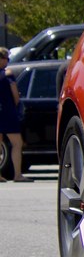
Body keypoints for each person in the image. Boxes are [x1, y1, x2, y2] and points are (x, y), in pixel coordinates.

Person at [0, 47, 30, 182]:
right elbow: (15, 96)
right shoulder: (8, 74)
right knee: (17, 143)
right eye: (7, 59)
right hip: (7, 112)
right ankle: (17, 174)